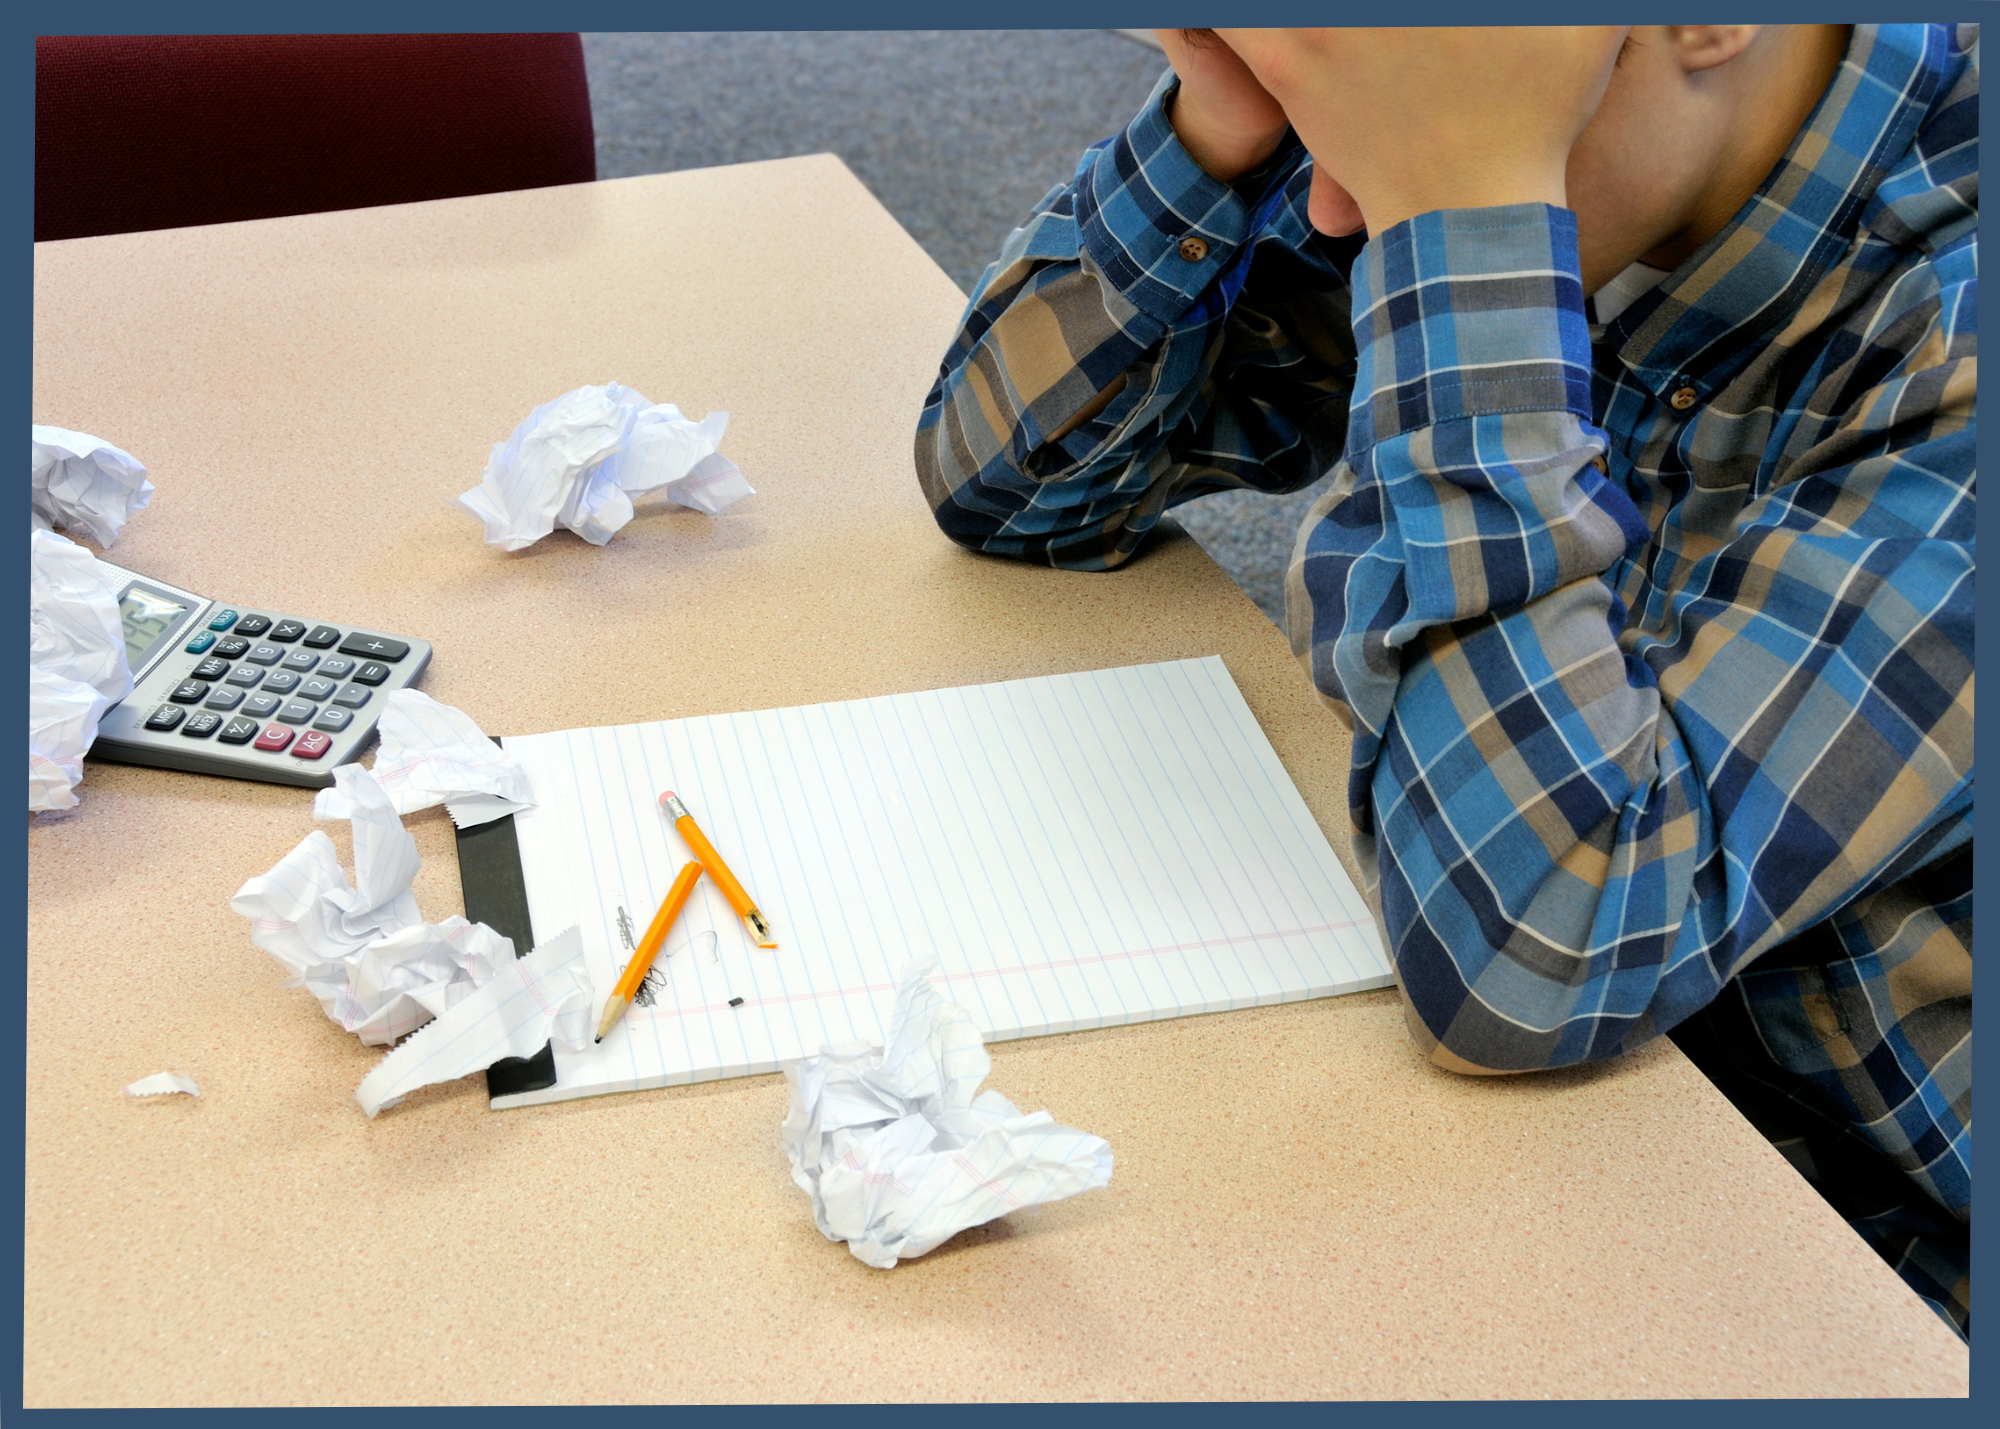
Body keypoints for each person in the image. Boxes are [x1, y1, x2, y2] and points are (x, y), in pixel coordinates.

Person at [915, 24, 1974, 1339]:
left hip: (1869, 1264)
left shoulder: (1951, 342)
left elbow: (1535, 955)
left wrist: (1466, 217)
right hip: (1600, 1127)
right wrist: (1223, 126)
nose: (1337, 209)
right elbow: (1013, 489)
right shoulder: (1501, 94)